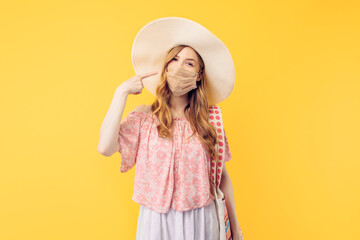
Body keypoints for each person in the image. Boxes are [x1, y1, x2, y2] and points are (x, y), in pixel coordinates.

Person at [98, 17, 244, 240]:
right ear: (165, 66)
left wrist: (235, 228)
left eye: (189, 63)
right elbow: (105, 148)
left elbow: (221, 178)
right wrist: (121, 93)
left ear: (199, 75)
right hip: (156, 223)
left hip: (201, 221)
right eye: (174, 59)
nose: (179, 66)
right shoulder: (144, 117)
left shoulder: (209, 121)